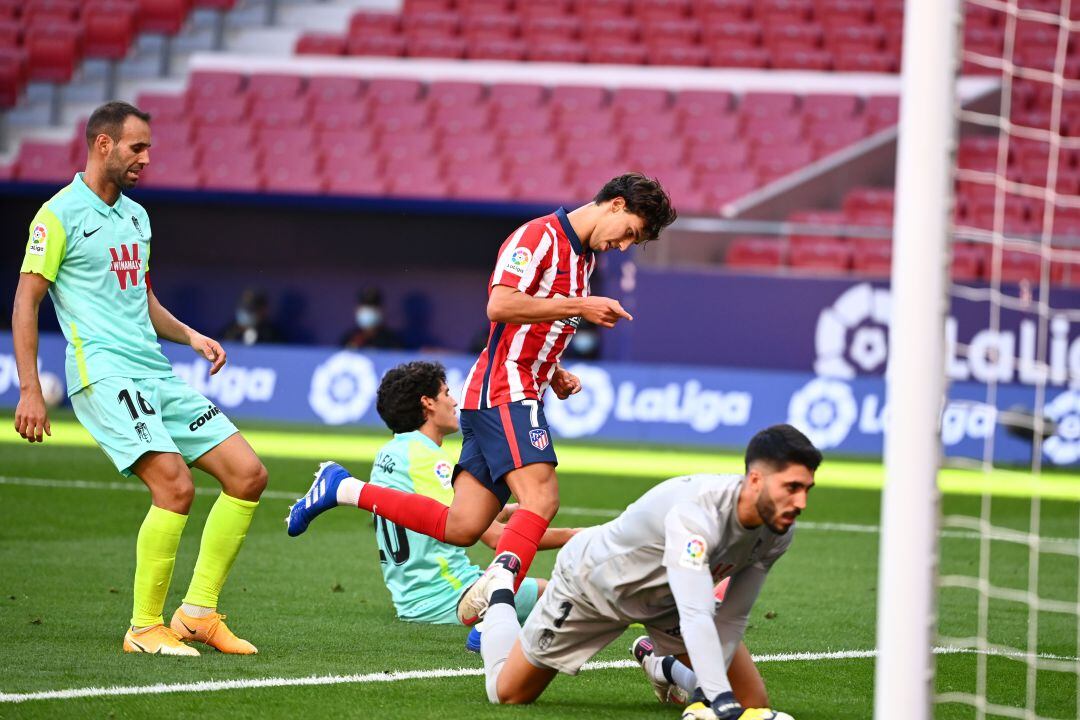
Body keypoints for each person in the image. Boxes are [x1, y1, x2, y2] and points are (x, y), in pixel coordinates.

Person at [289, 173, 677, 625]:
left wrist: (553, 373)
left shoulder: (583, 259)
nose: (625, 245)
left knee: (463, 527)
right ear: (614, 204)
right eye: (629, 231)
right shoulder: (539, 237)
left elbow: (529, 331)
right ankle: (497, 608)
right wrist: (580, 307)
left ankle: (344, 488)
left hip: (508, 386)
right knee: (541, 498)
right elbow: (500, 305)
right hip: (504, 388)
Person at [11, 101, 268, 657]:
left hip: (154, 370)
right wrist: (30, 388)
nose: (146, 159)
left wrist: (192, 336)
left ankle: (197, 614)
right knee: (174, 486)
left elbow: (142, 299)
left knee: (247, 475)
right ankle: (144, 627)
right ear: (103, 144)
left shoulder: (136, 216)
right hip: (103, 375)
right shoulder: (57, 217)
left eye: (148, 148)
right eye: (137, 148)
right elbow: (26, 301)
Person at [469, 424, 820, 719]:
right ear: (756, 480)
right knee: (509, 694)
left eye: (806, 489)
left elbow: (730, 617)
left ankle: (659, 663)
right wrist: (719, 700)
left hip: (669, 602)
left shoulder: (778, 532)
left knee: (753, 703)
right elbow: (698, 614)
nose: (801, 503)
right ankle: (499, 589)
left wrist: (719, 697)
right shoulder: (696, 515)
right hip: (592, 587)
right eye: (791, 488)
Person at [286, 361, 576, 646]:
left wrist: (504, 510)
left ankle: (345, 489)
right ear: (428, 403)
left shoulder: (393, 452)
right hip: (449, 593)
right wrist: (576, 537)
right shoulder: (426, 458)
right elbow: (494, 537)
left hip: (412, 596)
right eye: (447, 393)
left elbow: (427, 511)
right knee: (574, 598)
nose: (455, 401)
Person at [219, 287, 284, 345]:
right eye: (243, 308)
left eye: (251, 310)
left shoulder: (272, 335)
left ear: (263, 310)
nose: (246, 314)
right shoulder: (229, 332)